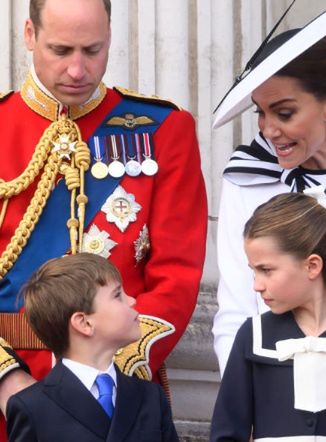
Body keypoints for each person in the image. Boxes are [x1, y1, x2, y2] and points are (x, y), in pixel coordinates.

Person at [0, 0, 207, 435]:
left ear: (110, 37)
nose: (77, 70)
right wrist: (8, 381)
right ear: (29, 36)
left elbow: (177, 274)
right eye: (61, 50)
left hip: (116, 390)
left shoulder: (161, 129)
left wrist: (102, 375)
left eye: (92, 51)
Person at [211, 0, 326, 375]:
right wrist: (246, 407)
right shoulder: (249, 180)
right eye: (260, 111)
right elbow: (235, 315)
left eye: (284, 112)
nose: (268, 129)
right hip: (273, 394)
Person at [209, 191, 326, 442]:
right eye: (254, 272)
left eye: (266, 270)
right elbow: (226, 434)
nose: (257, 286)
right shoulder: (253, 335)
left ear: (312, 266)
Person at [6, 253, 178, 441]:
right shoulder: (32, 407)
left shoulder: (151, 397)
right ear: (84, 323)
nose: (132, 301)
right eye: (118, 295)